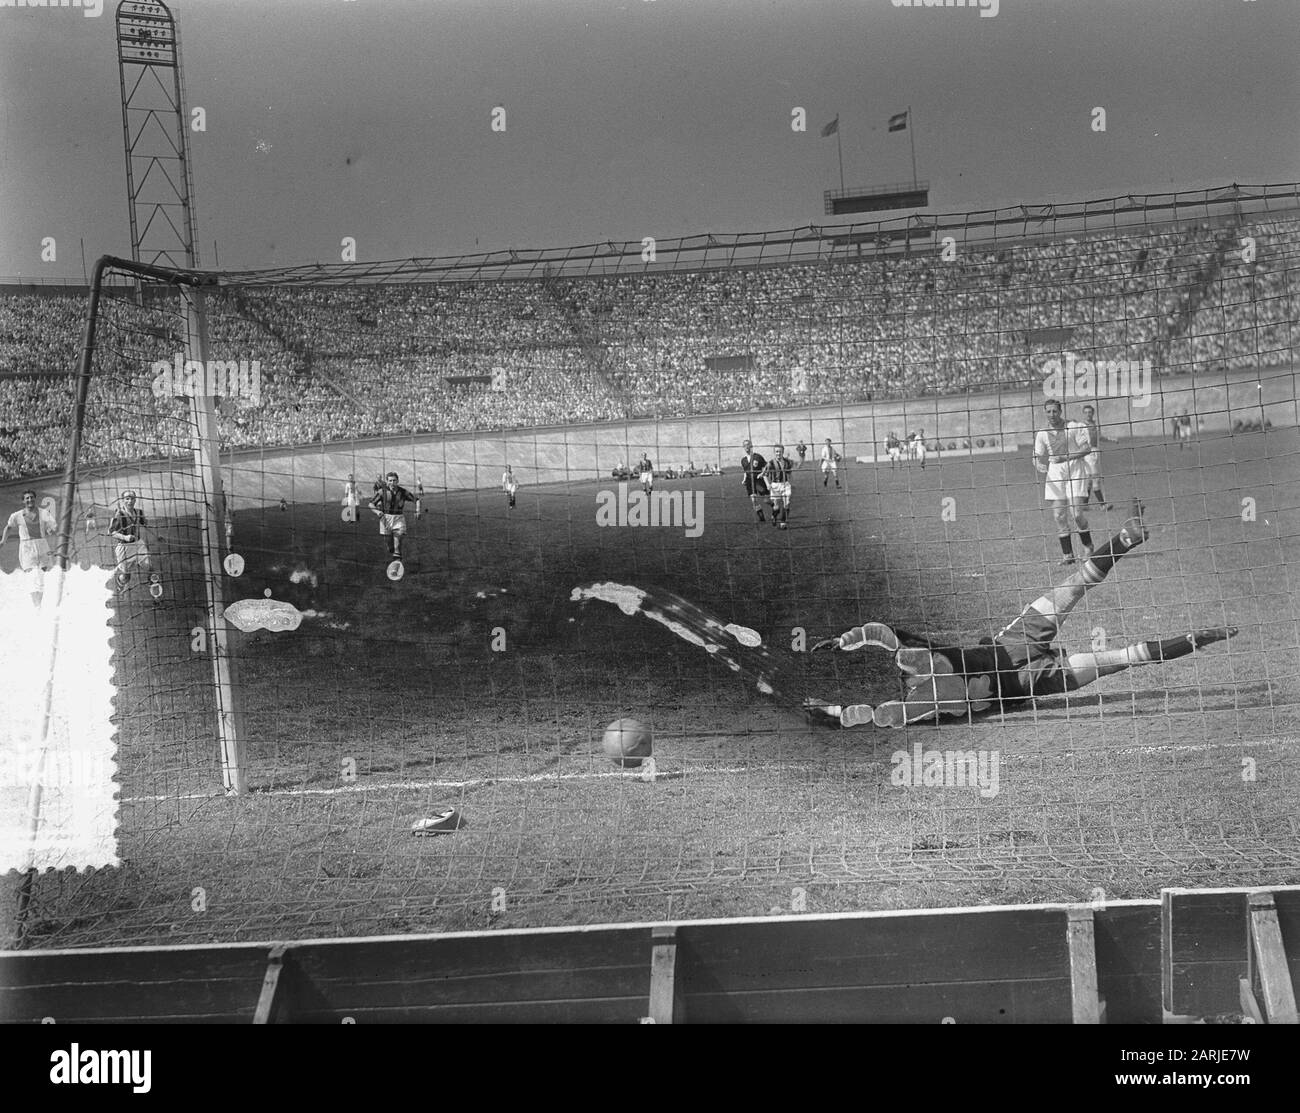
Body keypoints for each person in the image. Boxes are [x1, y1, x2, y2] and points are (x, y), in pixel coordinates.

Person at [807, 505, 1237, 728]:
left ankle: (1192, 625)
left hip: (1020, 661)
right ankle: (1197, 634)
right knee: (1108, 641)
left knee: (1113, 647)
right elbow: (885, 641)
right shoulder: (927, 681)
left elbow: (885, 709)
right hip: (1030, 672)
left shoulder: (930, 691)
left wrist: (837, 711)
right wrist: (845, 643)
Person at [1034, 399, 1093, 565]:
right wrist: (1038, 463)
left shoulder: (1074, 427)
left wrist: (1065, 457)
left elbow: (1086, 449)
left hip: (1075, 470)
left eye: (1054, 411)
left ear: (1060, 411)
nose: (1052, 415)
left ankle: (1088, 546)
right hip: (1055, 473)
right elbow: (1037, 454)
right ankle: (1068, 555)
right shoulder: (1042, 433)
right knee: (1059, 515)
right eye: (1048, 412)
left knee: (1076, 514)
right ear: (1044, 412)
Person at [1, 490, 57, 605]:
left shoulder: (43, 513)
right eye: (27, 498)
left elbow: (53, 526)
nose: (30, 500)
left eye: (31, 497)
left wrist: (51, 530)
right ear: (23, 501)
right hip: (27, 548)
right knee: (32, 577)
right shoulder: (16, 515)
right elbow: (9, 527)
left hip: (42, 546)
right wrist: (3, 541)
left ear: (35, 499)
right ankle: (35, 604)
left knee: (42, 575)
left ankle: (41, 603)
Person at [108, 490, 154, 593]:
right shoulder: (118, 514)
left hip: (138, 545)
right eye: (127, 498)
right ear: (123, 500)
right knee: (126, 576)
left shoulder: (139, 512)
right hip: (124, 548)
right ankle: (120, 583)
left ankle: (156, 597)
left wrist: (157, 536)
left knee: (150, 569)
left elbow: (145, 525)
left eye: (132, 498)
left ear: (135, 500)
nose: (130, 501)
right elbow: (111, 532)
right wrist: (125, 537)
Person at [369, 471, 419, 565]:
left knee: (398, 539)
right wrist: (377, 511)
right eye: (390, 480)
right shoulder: (382, 492)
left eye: (394, 480)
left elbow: (416, 500)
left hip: (399, 518)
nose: (392, 483)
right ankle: (392, 550)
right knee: (389, 543)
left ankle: (397, 560)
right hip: (385, 518)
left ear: (398, 481)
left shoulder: (403, 492)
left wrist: (418, 510)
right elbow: (371, 503)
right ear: (387, 481)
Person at [1080, 405, 1111, 508]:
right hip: (1088, 454)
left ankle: (1084, 504)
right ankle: (1103, 505)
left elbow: (1099, 437)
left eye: (1090, 412)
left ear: (1093, 413)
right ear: (1083, 414)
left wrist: (1111, 439)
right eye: (1086, 412)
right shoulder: (1081, 426)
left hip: (1095, 453)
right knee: (1095, 479)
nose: (1088, 414)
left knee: (1089, 480)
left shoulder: (1095, 424)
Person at [764, 444, 795, 530]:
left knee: (787, 503)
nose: (778, 453)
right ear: (774, 452)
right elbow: (765, 475)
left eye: (780, 451)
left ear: (783, 452)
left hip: (785, 484)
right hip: (775, 486)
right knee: (776, 507)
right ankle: (774, 516)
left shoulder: (787, 462)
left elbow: (789, 473)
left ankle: (783, 522)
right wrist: (768, 484)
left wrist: (792, 482)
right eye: (777, 452)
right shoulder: (770, 463)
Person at [740, 440, 770, 522]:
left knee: (766, 500)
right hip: (750, 482)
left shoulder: (758, 457)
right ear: (743, 447)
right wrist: (744, 480)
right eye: (744, 445)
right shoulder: (743, 460)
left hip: (758, 481)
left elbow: (766, 466)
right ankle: (762, 518)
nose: (746, 446)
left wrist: (763, 474)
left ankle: (775, 507)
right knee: (754, 500)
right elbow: (745, 471)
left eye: (748, 445)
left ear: (751, 445)